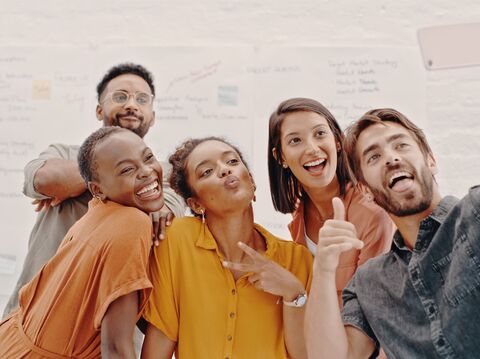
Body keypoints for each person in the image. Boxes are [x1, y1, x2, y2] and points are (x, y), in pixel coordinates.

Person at [3, 63, 185, 318]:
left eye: (142, 99)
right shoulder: (63, 152)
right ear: (99, 109)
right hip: (35, 318)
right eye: (120, 96)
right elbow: (44, 179)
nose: (131, 104)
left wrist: (75, 184)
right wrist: (115, 176)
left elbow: (161, 212)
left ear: (152, 116)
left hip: (111, 334)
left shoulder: (163, 172)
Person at [305, 108, 480, 358]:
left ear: (431, 161)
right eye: (373, 157)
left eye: (401, 145)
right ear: (366, 190)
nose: (391, 158)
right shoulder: (370, 283)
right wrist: (322, 269)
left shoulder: (475, 215)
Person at [141, 137, 313, 359]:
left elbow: (306, 355)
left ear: (251, 182)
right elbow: (160, 342)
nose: (224, 170)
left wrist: (294, 294)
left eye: (232, 161)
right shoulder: (176, 241)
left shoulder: (296, 260)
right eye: (207, 172)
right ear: (195, 204)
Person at [0, 127, 164, 358]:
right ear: (97, 189)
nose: (147, 171)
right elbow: (115, 348)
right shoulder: (134, 222)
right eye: (127, 169)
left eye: (148, 157)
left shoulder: (98, 211)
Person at [268, 98, 394, 303]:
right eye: (295, 140)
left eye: (319, 134)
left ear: (337, 141)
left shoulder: (373, 215)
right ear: (280, 156)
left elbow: (371, 309)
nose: (312, 148)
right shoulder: (299, 210)